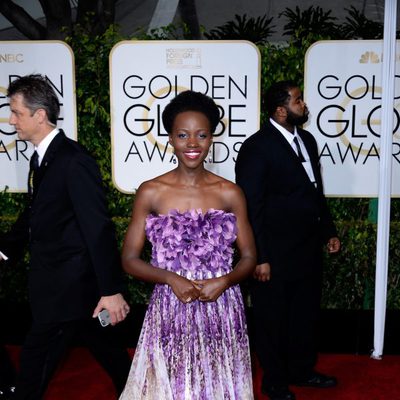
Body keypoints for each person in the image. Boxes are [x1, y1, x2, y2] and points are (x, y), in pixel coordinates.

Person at [0, 74, 131, 399]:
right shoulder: (41, 157)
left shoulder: (74, 161)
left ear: (39, 115)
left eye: (16, 112)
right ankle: (139, 391)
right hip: (72, 286)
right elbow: (35, 213)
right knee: (106, 346)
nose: (11, 120)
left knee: (36, 354)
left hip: (67, 285)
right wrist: (4, 252)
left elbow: (97, 227)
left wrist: (112, 290)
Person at [119, 90, 257, 399]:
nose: (192, 143)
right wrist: (170, 278)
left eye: (201, 135)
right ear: (170, 138)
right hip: (169, 306)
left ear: (211, 139)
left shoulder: (231, 193)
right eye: (183, 135)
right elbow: (129, 258)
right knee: (173, 387)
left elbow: (249, 257)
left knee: (219, 387)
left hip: (222, 307)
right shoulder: (151, 191)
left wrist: (226, 280)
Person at [235, 80, 341, 400]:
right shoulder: (257, 147)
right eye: (298, 101)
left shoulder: (306, 139)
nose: (304, 105)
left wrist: (329, 231)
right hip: (275, 253)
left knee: (304, 314)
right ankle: (275, 382)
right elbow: (251, 207)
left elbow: (314, 190)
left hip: (308, 248)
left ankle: (302, 370)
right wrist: (259, 256)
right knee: (272, 319)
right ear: (281, 111)